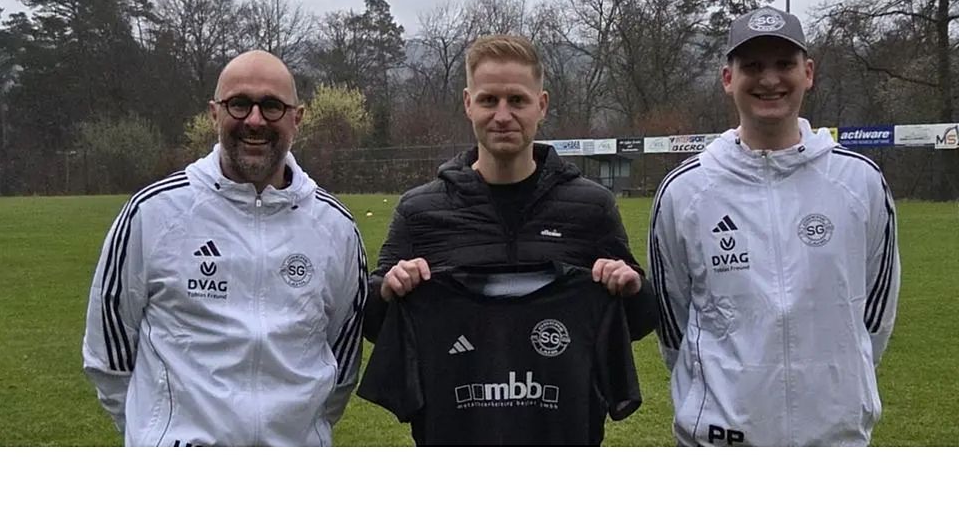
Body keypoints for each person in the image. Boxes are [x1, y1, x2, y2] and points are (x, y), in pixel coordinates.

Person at [82, 50, 368, 446]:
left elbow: (342, 364)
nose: (255, 120)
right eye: (239, 103)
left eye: (272, 106)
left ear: (297, 118)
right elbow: (109, 356)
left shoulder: (336, 228)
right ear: (215, 113)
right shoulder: (152, 213)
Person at [649, 6, 900, 446]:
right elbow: (673, 321)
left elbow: (875, 314)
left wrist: (841, 385)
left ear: (808, 73)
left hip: (834, 439)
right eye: (752, 66)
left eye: (784, 64)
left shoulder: (859, 181)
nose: (769, 80)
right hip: (720, 441)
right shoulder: (685, 190)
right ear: (728, 78)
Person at [363, 34, 658, 344]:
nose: (503, 116)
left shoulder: (591, 206)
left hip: (561, 376)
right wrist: (387, 291)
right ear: (468, 104)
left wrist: (633, 289)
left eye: (517, 100)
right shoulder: (419, 211)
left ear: (541, 105)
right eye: (489, 100)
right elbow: (372, 323)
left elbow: (639, 322)